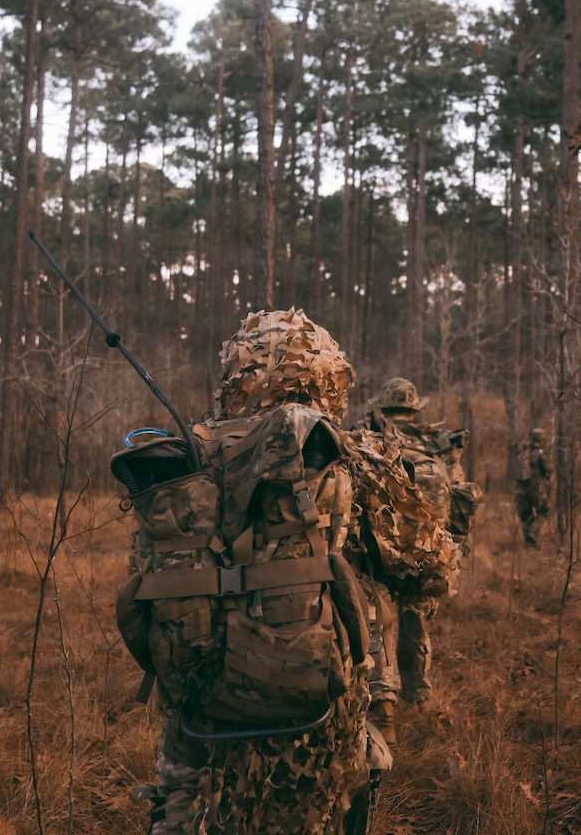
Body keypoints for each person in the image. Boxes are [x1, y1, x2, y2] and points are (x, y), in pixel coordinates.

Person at [117, 309, 400, 834]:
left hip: (197, 714)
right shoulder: (346, 455)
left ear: (234, 376)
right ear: (324, 374)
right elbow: (420, 569)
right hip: (317, 713)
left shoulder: (179, 459)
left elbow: (143, 582)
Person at [355, 377, 479, 706]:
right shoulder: (436, 447)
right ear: (414, 410)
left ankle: (382, 699)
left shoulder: (370, 441)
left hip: (380, 549)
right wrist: (449, 553)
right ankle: (419, 693)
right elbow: (460, 501)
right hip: (426, 550)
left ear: (383, 409)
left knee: (378, 617)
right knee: (414, 616)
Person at [513, 427, 553, 547]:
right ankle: (532, 533)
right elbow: (550, 469)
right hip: (537, 488)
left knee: (526, 515)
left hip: (521, 490)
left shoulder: (523, 452)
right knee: (544, 511)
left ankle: (529, 541)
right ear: (542, 440)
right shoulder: (540, 453)